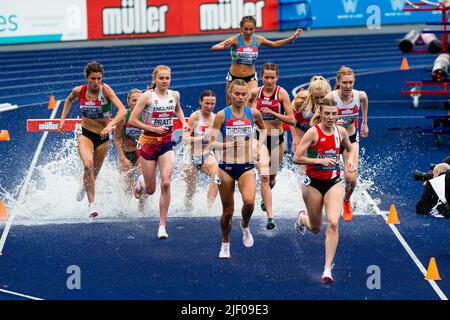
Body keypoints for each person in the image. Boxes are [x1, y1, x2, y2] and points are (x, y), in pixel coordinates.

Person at [293, 97, 356, 284]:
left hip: (333, 182)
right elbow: (297, 157)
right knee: (315, 228)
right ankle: (302, 219)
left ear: (337, 115)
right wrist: (318, 161)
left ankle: (327, 268)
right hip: (312, 183)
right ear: (320, 113)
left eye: (334, 114)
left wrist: (350, 160)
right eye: (327, 113)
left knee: (334, 223)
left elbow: (350, 149)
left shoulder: (341, 131)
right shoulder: (313, 132)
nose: (330, 117)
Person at [58, 61, 127, 218]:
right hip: (85, 133)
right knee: (88, 166)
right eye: (93, 79)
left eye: (99, 78)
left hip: (103, 137)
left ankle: (84, 185)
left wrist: (110, 126)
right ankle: (92, 206)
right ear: (87, 78)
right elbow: (68, 100)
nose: (96, 82)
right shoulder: (79, 91)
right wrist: (62, 119)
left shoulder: (106, 90)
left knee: (93, 174)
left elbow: (122, 110)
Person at [128, 65, 189, 239]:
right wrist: (153, 129)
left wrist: (183, 122)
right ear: (154, 79)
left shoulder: (174, 95)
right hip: (148, 142)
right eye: (161, 78)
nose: (164, 81)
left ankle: (162, 225)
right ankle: (141, 182)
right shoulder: (147, 97)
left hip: (166, 143)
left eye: (167, 78)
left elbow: (177, 109)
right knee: (150, 190)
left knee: (166, 183)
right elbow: (132, 120)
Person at [208, 79, 266, 259]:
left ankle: (245, 225)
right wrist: (228, 145)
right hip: (226, 166)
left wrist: (258, 146)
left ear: (247, 95)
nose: (240, 97)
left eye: (243, 94)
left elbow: (263, 130)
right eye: (237, 94)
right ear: (230, 94)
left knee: (249, 202)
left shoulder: (253, 113)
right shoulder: (221, 115)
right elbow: (211, 142)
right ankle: (225, 244)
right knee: (228, 211)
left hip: (246, 165)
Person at [211, 16, 303, 106]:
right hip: (234, 77)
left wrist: (291, 38)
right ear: (241, 28)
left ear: (255, 28)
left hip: (250, 78)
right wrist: (224, 46)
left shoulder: (258, 39)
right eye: (245, 29)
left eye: (251, 29)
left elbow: (275, 44)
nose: (248, 32)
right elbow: (214, 47)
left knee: (251, 102)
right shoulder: (235, 39)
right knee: (231, 106)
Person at [246, 62, 295, 229]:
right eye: (266, 77)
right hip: (259, 137)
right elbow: (244, 113)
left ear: (277, 78)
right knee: (265, 176)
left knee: (272, 178)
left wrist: (273, 113)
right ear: (261, 77)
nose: (269, 81)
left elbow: (292, 120)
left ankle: (264, 196)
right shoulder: (254, 93)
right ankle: (271, 217)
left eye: (272, 78)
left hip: (276, 138)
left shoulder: (282, 94)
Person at [324, 66, 369, 222]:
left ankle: (346, 200)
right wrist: (334, 121)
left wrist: (364, 123)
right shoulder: (331, 98)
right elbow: (317, 118)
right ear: (338, 82)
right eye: (344, 83)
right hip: (332, 141)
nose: (348, 86)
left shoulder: (360, 95)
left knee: (351, 178)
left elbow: (365, 102)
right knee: (327, 176)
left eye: (351, 82)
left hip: (350, 140)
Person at [181, 90, 219, 211]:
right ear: (200, 102)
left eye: (212, 104)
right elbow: (185, 139)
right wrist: (202, 138)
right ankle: (187, 209)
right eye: (207, 103)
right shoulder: (195, 116)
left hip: (206, 155)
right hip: (190, 157)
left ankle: (209, 209)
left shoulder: (216, 118)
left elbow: (215, 143)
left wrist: (219, 161)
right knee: (191, 189)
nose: (209, 106)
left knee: (218, 178)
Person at [113, 88, 148, 212]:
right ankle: (128, 210)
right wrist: (122, 158)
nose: (136, 103)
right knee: (127, 186)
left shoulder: (146, 116)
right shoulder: (123, 116)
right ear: (128, 102)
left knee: (146, 182)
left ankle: (141, 209)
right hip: (126, 153)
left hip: (141, 153)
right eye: (134, 100)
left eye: (139, 100)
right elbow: (117, 139)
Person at [292, 76, 332, 154]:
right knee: (302, 157)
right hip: (301, 127)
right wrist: (295, 136)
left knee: (320, 153)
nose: (320, 100)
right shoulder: (301, 101)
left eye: (322, 97)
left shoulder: (332, 100)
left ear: (327, 94)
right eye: (316, 97)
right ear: (311, 95)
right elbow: (289, 116)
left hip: (318, 127)